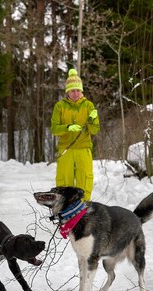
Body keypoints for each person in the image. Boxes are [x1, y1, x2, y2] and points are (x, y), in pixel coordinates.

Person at [50, 68, 100, 201]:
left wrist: (93, 119)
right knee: (64, 181)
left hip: (83, 149)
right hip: (65, 149)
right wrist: (67, 128)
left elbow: (94, 130)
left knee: (85, 179)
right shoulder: (60, 106)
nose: (76, 93)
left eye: (78, 90)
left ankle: (84, 208)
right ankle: (64, 208)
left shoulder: (89, 105)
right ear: (67, 91)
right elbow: (54, 129)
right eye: (72, 90)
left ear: (81, 91)